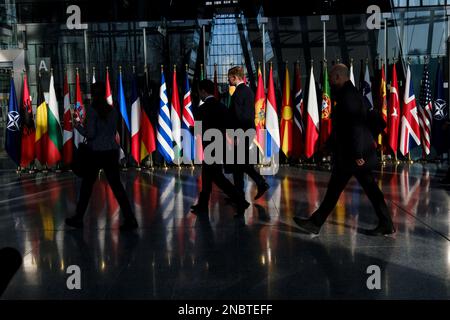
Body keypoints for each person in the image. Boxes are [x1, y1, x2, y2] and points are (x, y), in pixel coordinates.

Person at [293, 64, 395, 236]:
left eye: (331, 77)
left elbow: (354, 127)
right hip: (351, 154)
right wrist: (328, 146)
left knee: (351, 189)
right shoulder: (348, 94)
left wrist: (357, 154)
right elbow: (343, 127)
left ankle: (316, 223)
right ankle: (316, 223)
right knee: (358, 189)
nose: (330, 81)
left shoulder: (348, 96)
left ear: (338, 76)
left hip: (353, 155)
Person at [66, 82, 138, 231]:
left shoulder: (92, 111)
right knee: (117, 187)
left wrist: (78, 126)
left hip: (96, 153)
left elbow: (91, 134)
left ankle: (79, 218)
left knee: (86, 187)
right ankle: (130, 218)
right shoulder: (113, 111)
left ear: (93, 94)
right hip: (111, 152)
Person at [191, 79, 250, 217]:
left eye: (199, 91)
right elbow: (229, 127)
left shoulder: (202, 109)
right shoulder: (222, 107)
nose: (199, 94)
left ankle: (240, 201)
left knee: (217, 178)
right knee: (207, 176)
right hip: (221, 145)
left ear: (204, 91)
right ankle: (202, 205)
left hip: (209, 147)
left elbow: (198, 131)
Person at [227, 66, 269, 202]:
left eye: (229, 77)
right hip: (247, 130)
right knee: (240, 164)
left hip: (241, 132)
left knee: (238, 164)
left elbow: (239, 116)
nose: (228, 79)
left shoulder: (238, 93)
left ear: (234, 77)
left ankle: (242, 193)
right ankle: (242, 192)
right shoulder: (248, 91)